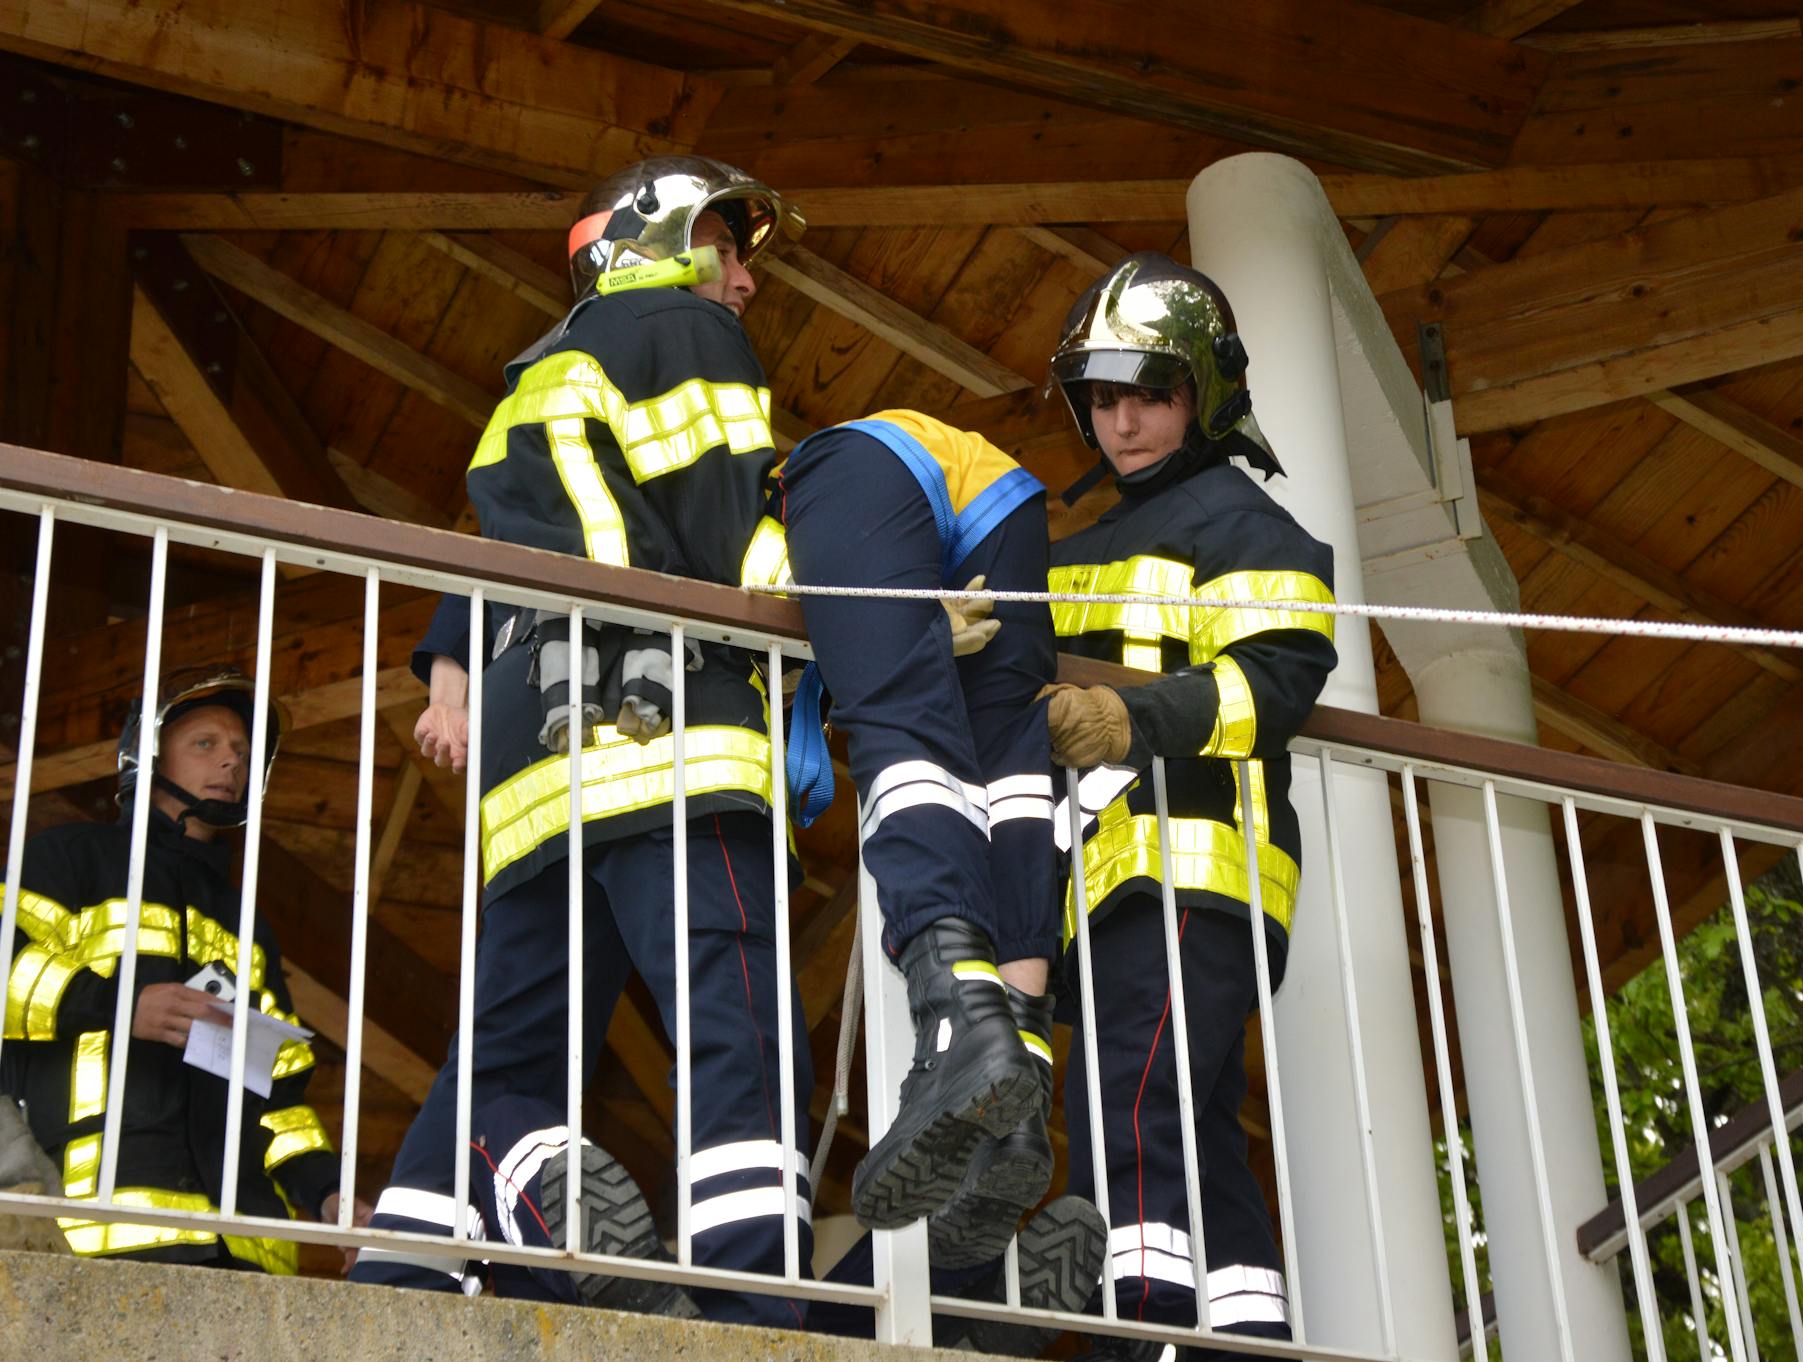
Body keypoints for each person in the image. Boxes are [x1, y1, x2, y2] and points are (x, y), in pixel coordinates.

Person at [351, 156, 816, 1326]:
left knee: (509, 1040)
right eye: (725, 248)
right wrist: (848, 616)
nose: (745, 281)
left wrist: (451, 684)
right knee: (732, 1009)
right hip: (672, 733)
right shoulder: (689, 336)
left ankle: (409, 1267)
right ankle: (750, 1287)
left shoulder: (534, 379)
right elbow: (730, 539)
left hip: (534, 765)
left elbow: (493, 570)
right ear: (655, 245)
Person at [1038, 254, 1338, 1360]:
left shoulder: (1246, 523)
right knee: (1195, 1126)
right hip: (1106, 879)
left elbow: (1275, 682)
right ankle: (1248, 1336)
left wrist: (1128, 721)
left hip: (1197, 870)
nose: (1121, 424)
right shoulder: (1066, 553)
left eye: (1149, 395)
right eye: (1100, 398)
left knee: (1133, 1104)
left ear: (1203, 393)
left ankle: (1140, 1334)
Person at [776, 410, 1060, 1256]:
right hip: (1001, 492)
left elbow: (765, 585)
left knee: (902, 727)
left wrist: (889, 632)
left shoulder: (792, 482)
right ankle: (1021, 1073)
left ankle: (955, 1021)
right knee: (1010, 767)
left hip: (859, 464)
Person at [1, 667, 352, 1273]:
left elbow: (277, 1091)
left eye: (241, 751)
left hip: (245, 1249)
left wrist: (327, 1191)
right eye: (205, 744)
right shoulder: (69, 858)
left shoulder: (246, 922)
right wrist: (122, 1006)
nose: (231, 762)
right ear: (147, 754)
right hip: (99, 1231)